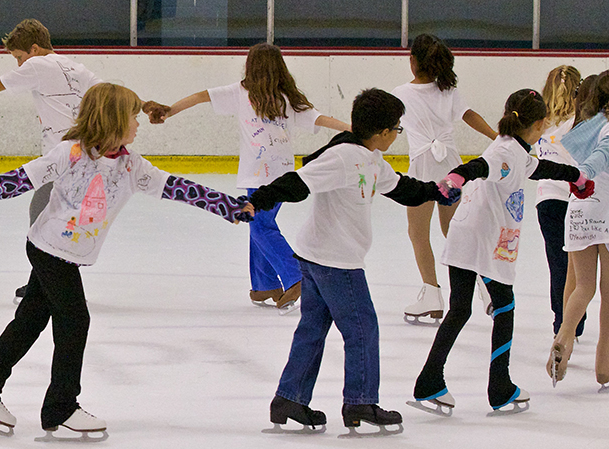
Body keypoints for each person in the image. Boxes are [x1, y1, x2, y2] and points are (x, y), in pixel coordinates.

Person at [0, 82, 252, 441]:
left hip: (67, 255)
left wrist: (227, 206)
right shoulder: (70, 153)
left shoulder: (129, 165)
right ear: (113, 119)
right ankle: (60, 408)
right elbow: (17, 181)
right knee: (75, 319)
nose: (138, 125)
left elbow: (177, 187)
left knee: (30, 321)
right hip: (48, 249)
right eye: (133, 117)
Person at [249, 88, 450, 436]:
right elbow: (298, 182)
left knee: (312, 329)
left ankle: (289, 398)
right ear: (382, 132)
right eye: (396, 129)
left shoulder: (370, 158)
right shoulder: (343, 156)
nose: (397, 135)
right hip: (334, 262)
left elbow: (402, 188)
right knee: (362, 328)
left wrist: (437, 191)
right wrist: (259, 200)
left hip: (319, 257)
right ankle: (359, 401)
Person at [413, 89, 589, 415]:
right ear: (539, 125)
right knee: (504, 307)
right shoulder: (505, 153)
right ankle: (499, 387)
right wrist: (454, 177)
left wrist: (575, 177)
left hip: (466, 236)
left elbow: (543, 168)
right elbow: (478, 167)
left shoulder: (516, 152)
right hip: (482, 241)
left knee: (460, 310)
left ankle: (429, 381)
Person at [151, 42, 350, 311]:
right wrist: (353, 129)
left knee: (259, 225)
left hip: (260, 177)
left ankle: (294, 275)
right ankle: (264, 285)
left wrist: (170, 111)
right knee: (258, 224)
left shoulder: (260, 95)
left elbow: (200, 96)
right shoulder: (277, 97)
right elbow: (322, 119)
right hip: (278, 177)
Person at [0, 18, 102, 303]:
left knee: (42, 219)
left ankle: (47, 286)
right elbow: (106, 93)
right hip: (83, 158)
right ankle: (47, 282)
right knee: (49, 220)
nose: (20, 65)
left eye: (20, 58)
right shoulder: (76, 67)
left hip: (63, 161)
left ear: (34, 49)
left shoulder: (38, 65)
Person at [395, 34, 498, 324]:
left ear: (412, 61)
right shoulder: (448, 89)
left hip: (423, 169)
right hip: (452, 166)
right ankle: (485, 286)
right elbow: (469, 115)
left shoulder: (401, 93)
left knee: (418, 233)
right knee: (454, 230)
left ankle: (431, 295)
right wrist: (496, 136)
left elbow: (387, 124)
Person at [550, 72, 609, 389]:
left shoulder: (582, 129)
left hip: (579, 210)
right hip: (607, 211)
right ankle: (604, 367)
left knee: (581, 287)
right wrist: (586, 172)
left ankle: (563, 337)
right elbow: (601, 158)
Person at [535, 66, 586, 338]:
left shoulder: (540, 122)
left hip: (547, 199)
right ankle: (574, 320)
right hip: (574, 199)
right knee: (577, 267)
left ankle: (561, 322)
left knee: (557, 263)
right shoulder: (580, 123)